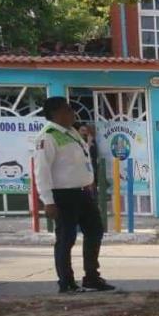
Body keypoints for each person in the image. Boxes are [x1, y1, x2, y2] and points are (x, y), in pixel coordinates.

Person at [33, 98, 115, 294]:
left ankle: (92, 278)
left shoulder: (71, 132)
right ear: (55, 113)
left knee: (95, 231)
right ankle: (66, 282)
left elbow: (80, 161)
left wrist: (89, 181)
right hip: (63, 196)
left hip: (83, 193)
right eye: (67, 110)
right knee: (66, 239)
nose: (73, 114)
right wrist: (48, 201)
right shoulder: (48, 137)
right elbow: (42, 171)